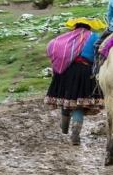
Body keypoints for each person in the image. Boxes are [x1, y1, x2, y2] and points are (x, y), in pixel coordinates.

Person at [44, 17, 106, 145]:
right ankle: (75, 134)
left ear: (75, 25)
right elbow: (100, 54)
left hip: (65, 70)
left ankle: (64, 127)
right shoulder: (94, 37)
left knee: (67, 98)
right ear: (90, 26)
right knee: (78, 103)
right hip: (84, 71)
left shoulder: (67, 36)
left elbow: (52, 46)